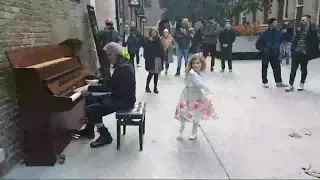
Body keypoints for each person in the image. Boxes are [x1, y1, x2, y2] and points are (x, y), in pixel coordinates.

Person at [74, 42, 136, 148]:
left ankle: (105, 136)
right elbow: (111, 82)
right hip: (119, 96)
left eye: (108, 55)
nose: (107, 58)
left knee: (91, 109)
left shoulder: (122, 68)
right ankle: (89, 131)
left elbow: (108, 87)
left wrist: (87, 88)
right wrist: (94, 82)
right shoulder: (122, 64)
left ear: (115, 54)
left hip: (123, 101)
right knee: (90, 99)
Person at [174, 54, 218, 140]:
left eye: (198, 63)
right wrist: (209, 91)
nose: (195, 65)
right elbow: (200, 84)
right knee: (184, 112)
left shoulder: (199, 73)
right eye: (193, 63)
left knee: (197, 113)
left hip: (197, 95)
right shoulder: (192, 73)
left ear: (201, 64)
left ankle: (194, 131)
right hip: (188, 95)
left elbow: (200, 84)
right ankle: (181, 130)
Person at [285, 16, 320, 92]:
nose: (301, 22)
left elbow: (316, 42)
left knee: (303, 69)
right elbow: (294, 40)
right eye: (301, 20)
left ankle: (302, 83)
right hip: (296, 52)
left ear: (307, 22)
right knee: (293, 69)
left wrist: (310, 51)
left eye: (303, 20)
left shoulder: (312, 32)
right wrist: (293, 49)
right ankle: (291, 84)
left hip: (305, 54)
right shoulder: (298, 30)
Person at [255, 18, 287, 88]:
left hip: (275, 53)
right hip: (266, 53)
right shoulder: (264, 33)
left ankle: (278, 82)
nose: (276, 24)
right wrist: (263, 49)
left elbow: (281, 40)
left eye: (276, 22)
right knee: (265, 67)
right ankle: (265, 82)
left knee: (277, 67)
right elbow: (258, 44)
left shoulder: (278, 33)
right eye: (275, 23)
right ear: (270, 24)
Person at [143, 27, 164, 94]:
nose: (153, 33)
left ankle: (155, 87)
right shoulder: (147, 40)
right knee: (151, 73)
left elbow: (161, 48)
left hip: (157, 58)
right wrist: (150, 41)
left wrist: (162, 57)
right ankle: (147, 86)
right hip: (151, 59)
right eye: (152, 32)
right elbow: (146, 49)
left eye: (154, 32)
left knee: (156, 74)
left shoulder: (158, 40)